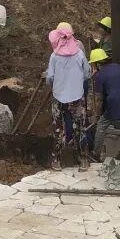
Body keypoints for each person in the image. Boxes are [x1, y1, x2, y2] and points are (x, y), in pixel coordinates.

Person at [45, 23, 91, 171]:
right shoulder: (79, 54)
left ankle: (56, 161)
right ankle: (83, 160)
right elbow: (87, 73)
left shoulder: (54, 56)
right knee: (80, 128)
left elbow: (50, 77)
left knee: (58, 129)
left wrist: (56, 83)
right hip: (77, 96)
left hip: (58, 96)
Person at [90, 48, 120, 162]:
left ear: (96, 63)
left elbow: (99, 99)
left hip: (114, 105)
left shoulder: (100, 76)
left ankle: (96, 154)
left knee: (101, 127)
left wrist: (97, 115)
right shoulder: (118, 67)